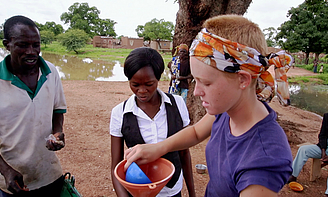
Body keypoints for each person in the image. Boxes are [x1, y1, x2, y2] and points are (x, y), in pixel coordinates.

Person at [124, 14, 294, 197]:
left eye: (205, 82)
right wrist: (158, 148)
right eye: (195, 81)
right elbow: (196, 132)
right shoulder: (228, 110)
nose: (196, 92)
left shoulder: (263, 160)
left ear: (243, 79)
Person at [0, 15, 67, 196]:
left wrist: (58, 132)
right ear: (7, 44)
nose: (31, 51)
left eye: (36, 45)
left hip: (49, 173)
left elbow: (57, 110)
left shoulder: (51, 72)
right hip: (14, 178)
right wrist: (5, 170)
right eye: (22, 45)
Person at [110, 47, 195, 197]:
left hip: (172, 191)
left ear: (158, 78)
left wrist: (192, 194)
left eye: (149, 84)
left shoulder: (177, 104)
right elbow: (116, 166)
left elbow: (184, 153)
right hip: (138, 190)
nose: (142, 91)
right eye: (135, 85)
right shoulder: (120, 113)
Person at [288, 98, 328, 197]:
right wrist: (323, 151)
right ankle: (293, 176)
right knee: (303, 149)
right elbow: (322, 136)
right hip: (326, 148)